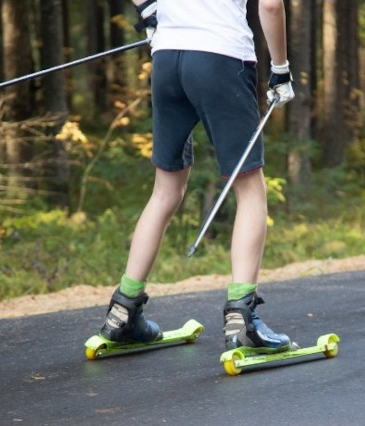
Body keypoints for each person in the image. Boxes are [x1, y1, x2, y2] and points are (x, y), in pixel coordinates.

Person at [97, 0, 295, 353]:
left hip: (167, 58)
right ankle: (241, 318)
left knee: (165, 191)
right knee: (250, 189)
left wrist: (148, 12)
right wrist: (280, 69)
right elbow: (271, 5)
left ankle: (123, 311)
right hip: (221, 58)